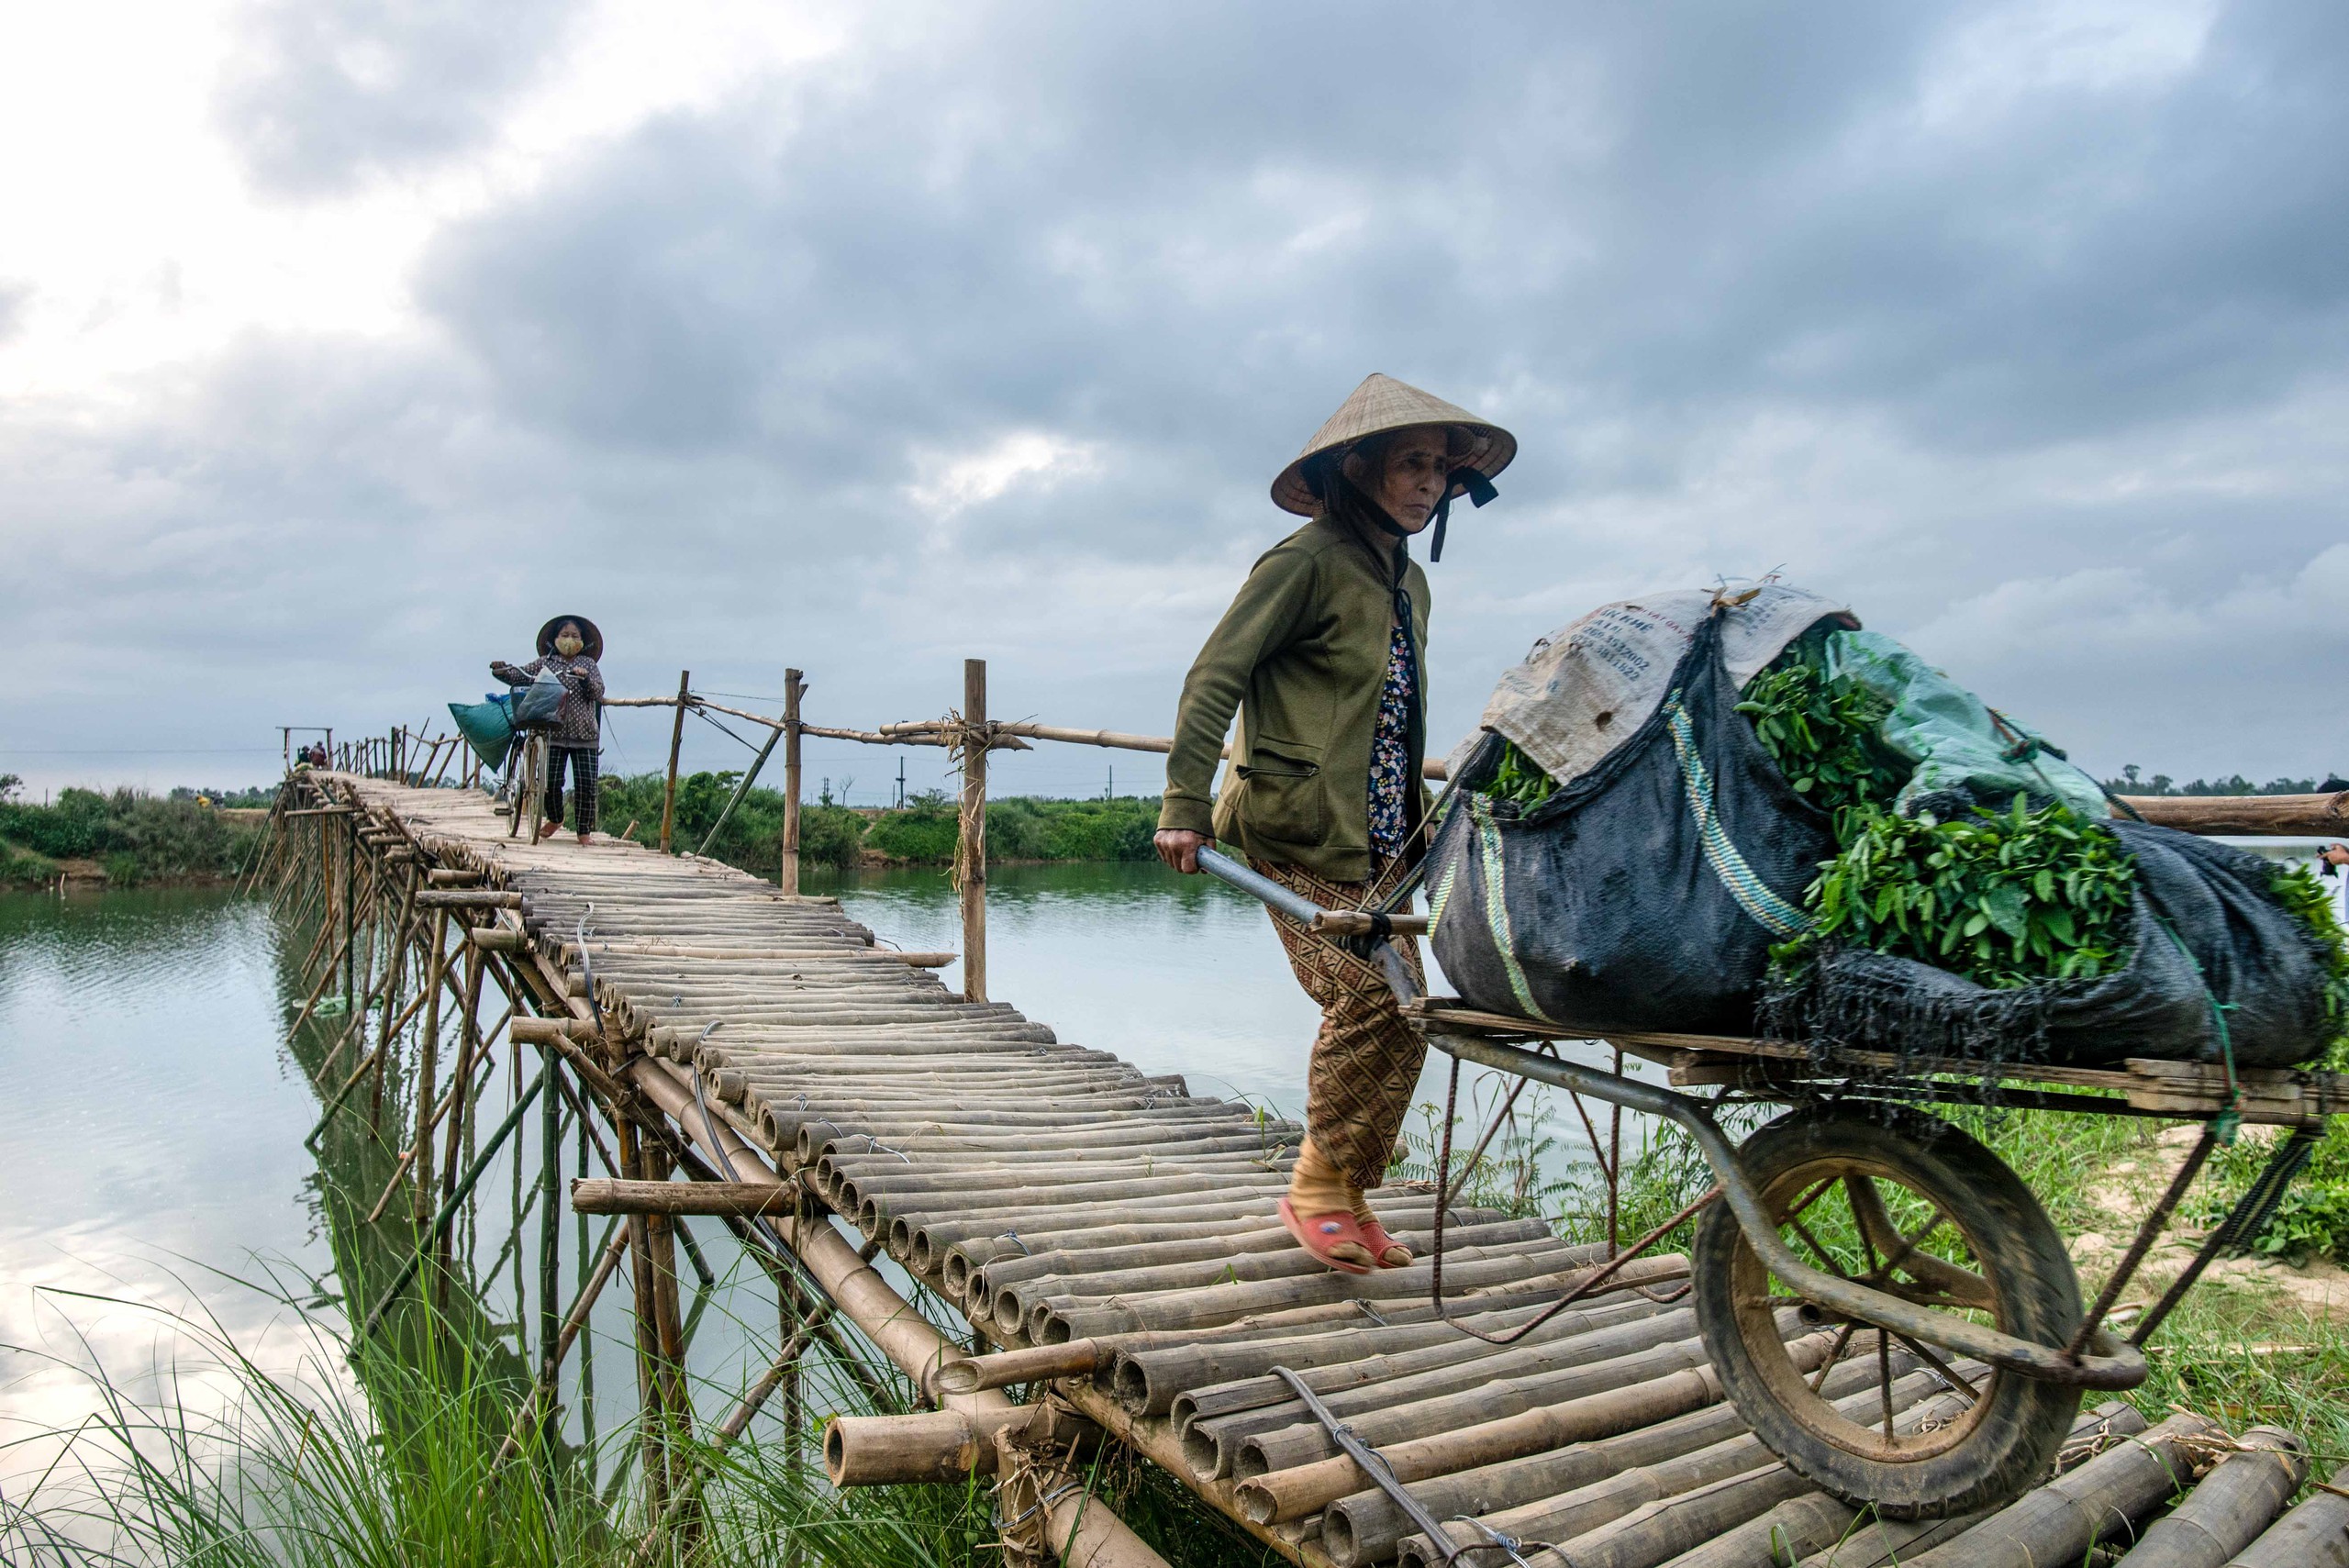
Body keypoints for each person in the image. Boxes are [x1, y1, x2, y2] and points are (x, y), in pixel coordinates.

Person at [1154, 373, 1514, 1273]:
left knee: (1409, 1012)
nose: (1429, 481)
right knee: (1364, 998)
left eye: (1440, 468)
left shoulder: (1409, 581)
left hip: (1383, 836)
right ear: (1356, 469)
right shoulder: (1301, 562)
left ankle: (1349, 1193)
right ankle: (1316, 1187)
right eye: (1411, 462)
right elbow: (1214, 677)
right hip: (1295, 825)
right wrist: (1184, 803)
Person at [493, 616, 607, 845]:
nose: (569, 640)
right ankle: (555, 818)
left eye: (575, 636)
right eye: (565, 635)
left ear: (582, 641)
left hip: (584, 734)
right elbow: (521, 675)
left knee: (586, 785)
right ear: (555, 639)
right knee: (551, 783)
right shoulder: (545, 663)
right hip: (552, 732)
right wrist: (502, 671)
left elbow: (598, 691)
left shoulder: (588, 664)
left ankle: (584, 832)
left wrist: (584, 680)